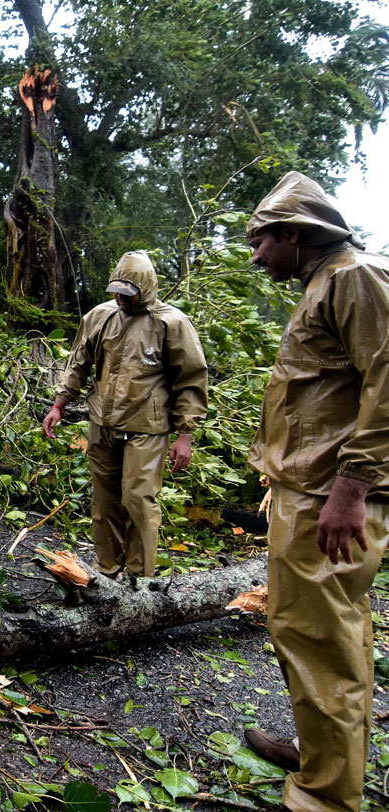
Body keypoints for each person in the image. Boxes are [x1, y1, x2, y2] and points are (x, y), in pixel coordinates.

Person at [241, 171, 389, 812]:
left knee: (321, 639)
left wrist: (352, 487)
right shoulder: (322, 284)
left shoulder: (355, 279)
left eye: (263, 242)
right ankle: (323, 755)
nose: (256, 256)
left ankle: (325, 798)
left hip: (332, 496)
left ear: (295, 235)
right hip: (306, 489)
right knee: (315, 633)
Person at [42, 250, 208, 578]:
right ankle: (107, 571)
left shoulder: (171, 323)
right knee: (104, 502)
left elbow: (190, 380)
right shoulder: (100, 317)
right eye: (116, 291)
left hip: (148, 426)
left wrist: (185, 434)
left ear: (144, 290)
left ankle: (139, 582)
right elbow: (78, 363)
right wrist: (59, 403)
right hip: (102, 421)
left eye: (127, 293)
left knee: (139, 500)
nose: (120, 298)